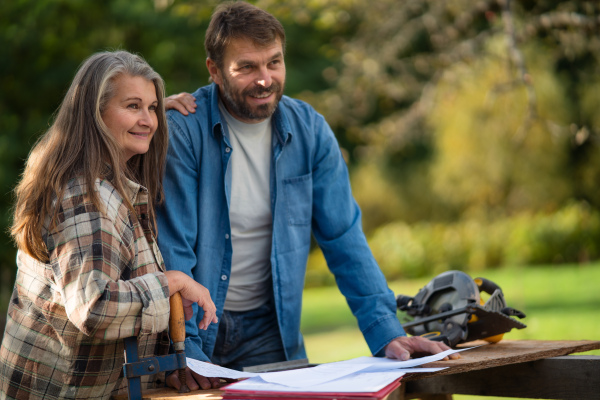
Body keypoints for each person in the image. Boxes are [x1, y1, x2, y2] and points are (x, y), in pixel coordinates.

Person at [158, 1, 457, 390]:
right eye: (247, 67)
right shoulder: (183, 133)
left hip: (271, 328)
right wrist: (187, 353)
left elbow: (344, 239)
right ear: (214, 70)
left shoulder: (311, 131)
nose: (265, 79)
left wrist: (386, 332)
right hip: (195, 323)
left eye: (274, 63)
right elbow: (174, 250)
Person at [0, 50, 218, 400]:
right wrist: (171, 282)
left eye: (151, 108)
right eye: (132, 106)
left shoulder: (110, 187)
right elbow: (95, 307)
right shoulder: (86, 196)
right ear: (94, 113)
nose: (147, 119)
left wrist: (160, 369)